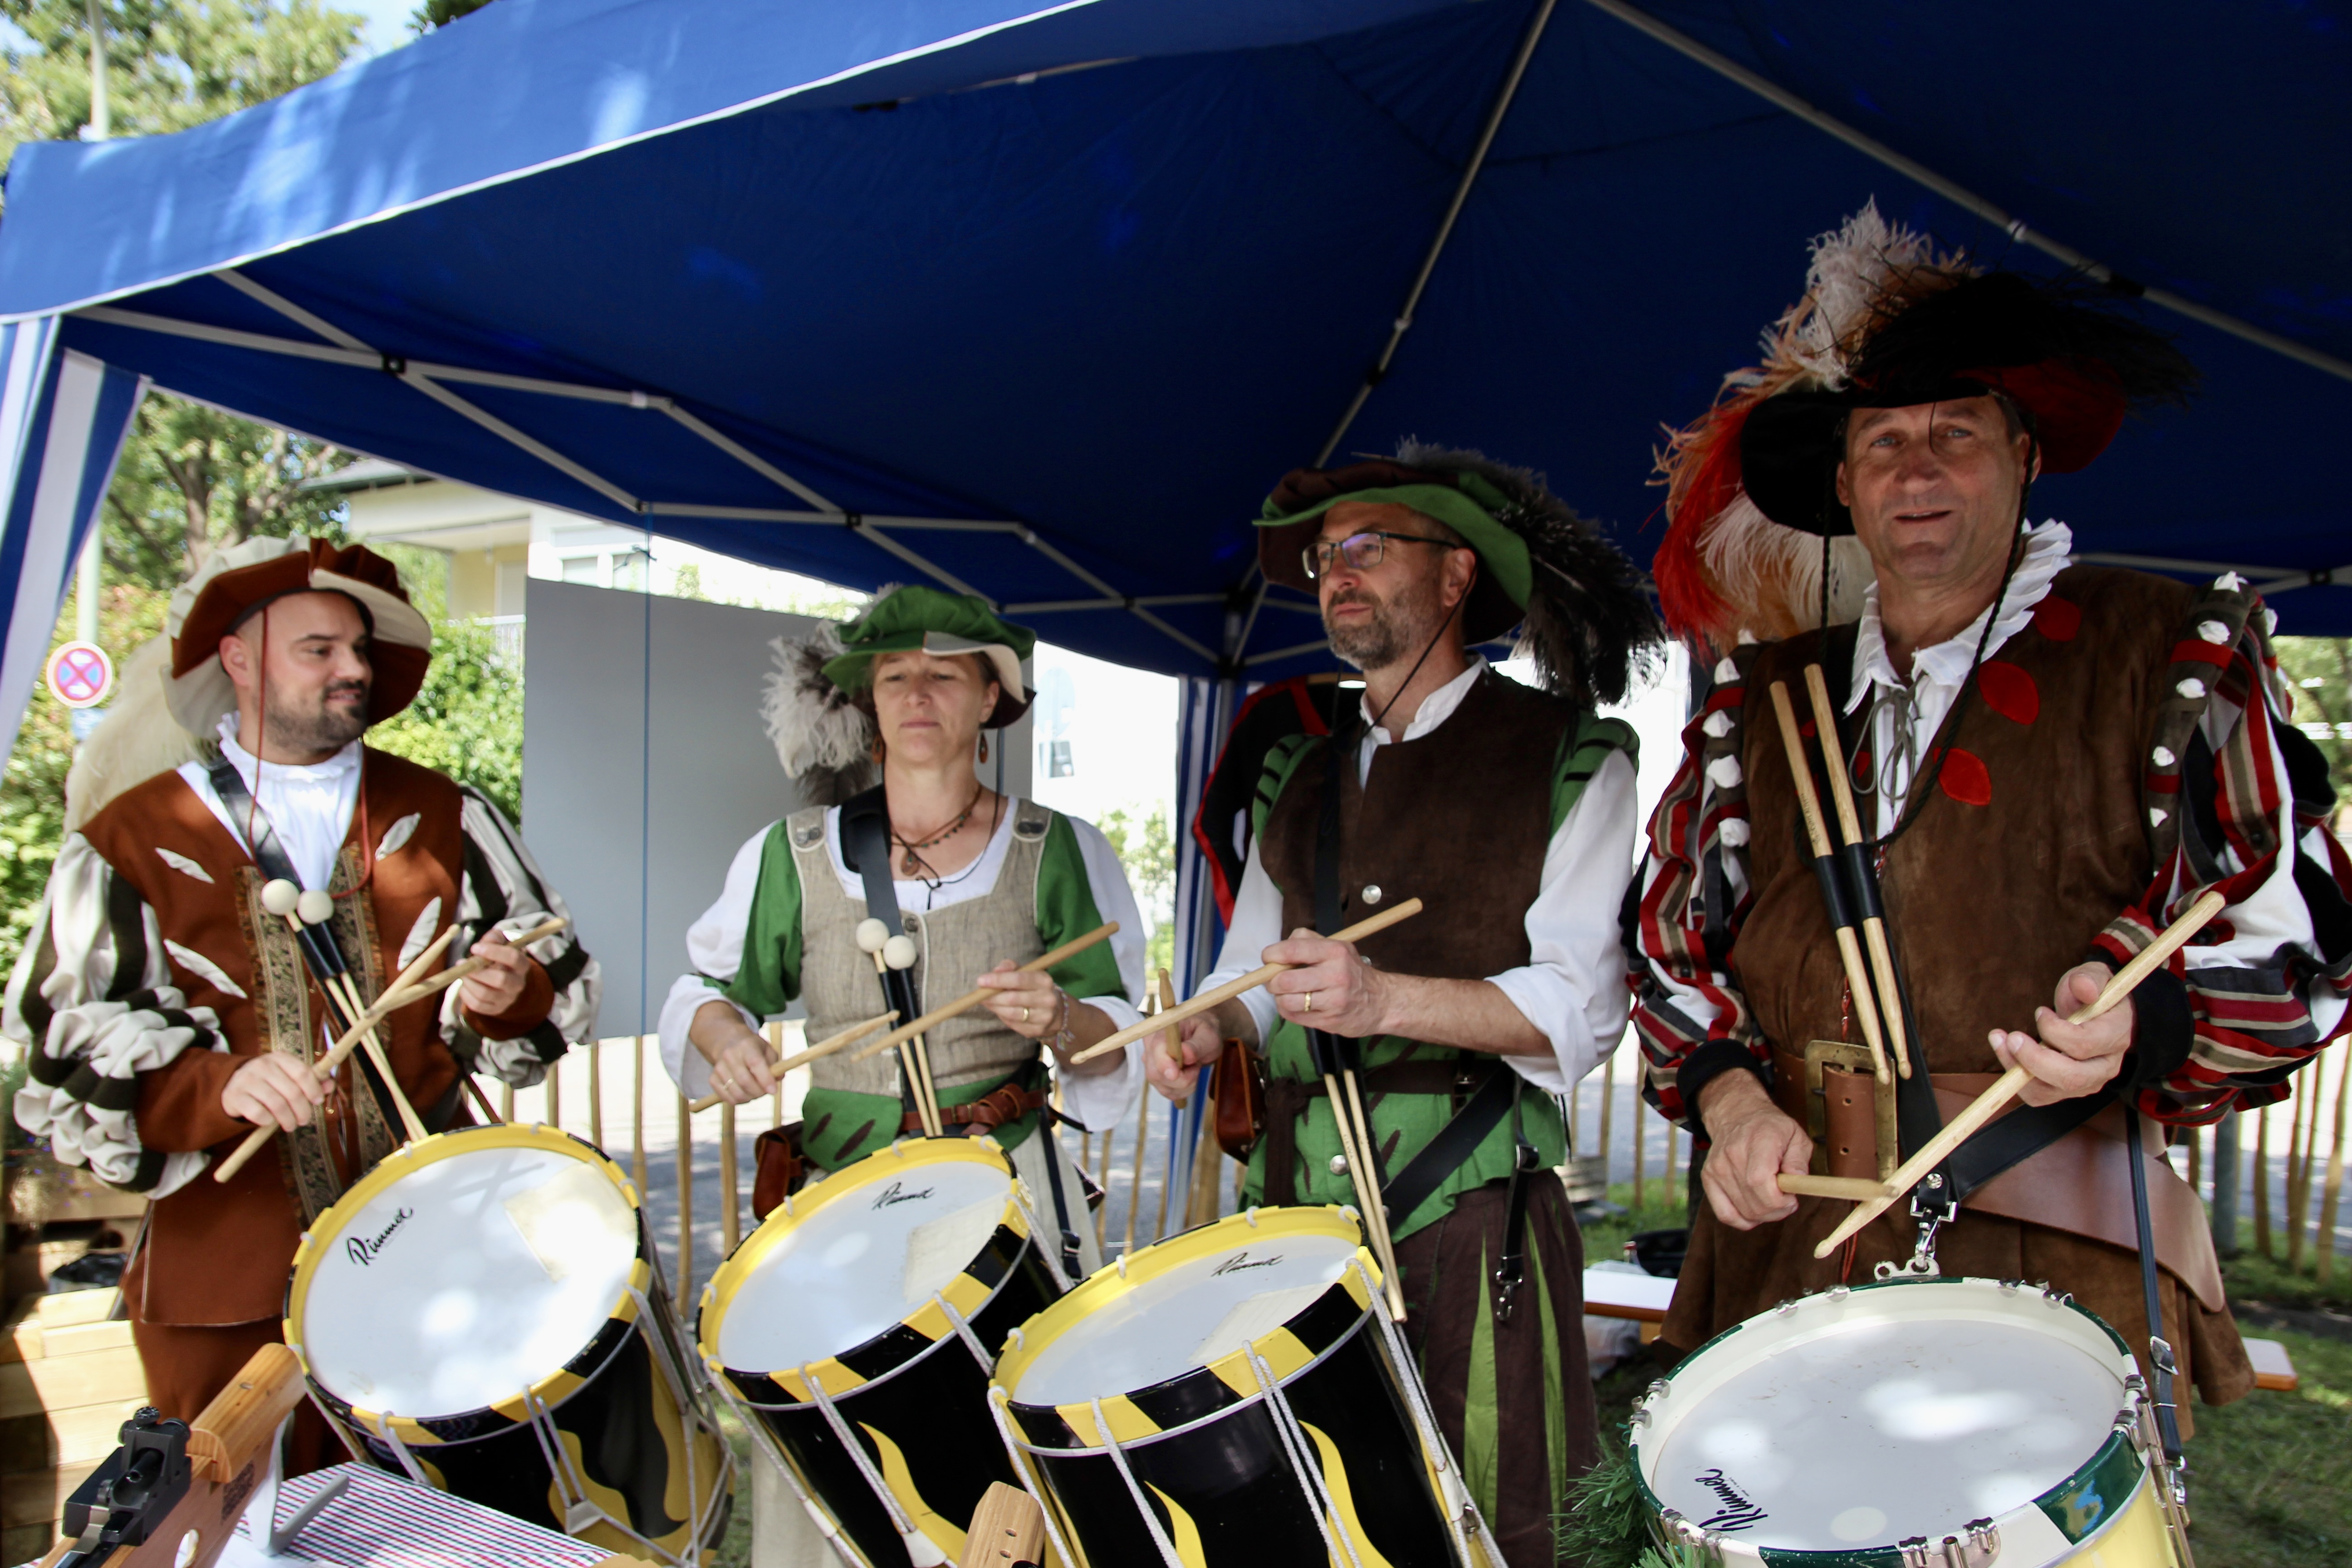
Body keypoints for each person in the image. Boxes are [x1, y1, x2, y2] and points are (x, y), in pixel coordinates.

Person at [1628, 207, 2352, 1421]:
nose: (1917, 470)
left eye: (1955, 436)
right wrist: (1730, 1095)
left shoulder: (2168, 654)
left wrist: (2142, 1026)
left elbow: (2308, 942)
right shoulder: (1761, 711)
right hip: (1791, 1259)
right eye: (1886, 444)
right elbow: (1667, 948)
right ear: (1846, 489)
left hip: (2057, 1271)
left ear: (2023, 458)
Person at [1149, 442, 1662, 1566]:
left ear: (1456, 575)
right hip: (1290, 1219)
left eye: (1370, 548)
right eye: (1330, 555)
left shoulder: (1570, 758)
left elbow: (1577, 1013)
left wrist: (1384, 996)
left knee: (1493, 1521)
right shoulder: (1296, 769)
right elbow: (1258, 980)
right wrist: (1213, 1025)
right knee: (1312, 1516)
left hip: (1474, 1228)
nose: (1338, 571)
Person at [6, 536, 597, 1456]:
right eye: (318, 649)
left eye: (359, 650)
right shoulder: (128, 838)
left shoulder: (450, 817)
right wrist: (215, 1084)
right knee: (237, 1534)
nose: (352, 669)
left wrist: (506, 994)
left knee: (429, 1535)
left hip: (430, 1268)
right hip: (224, 1294)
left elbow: (547, 980)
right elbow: (58, 1042)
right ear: (238, 660)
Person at [660, 583, 1148, 1268]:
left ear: (987, 699)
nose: (917, 693)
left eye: (944, 674)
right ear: (872, 702)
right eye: (895, 676)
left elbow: (1119, 1025)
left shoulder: (1059, 849)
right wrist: (727, 1040)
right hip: (843, 1196)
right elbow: (709, 991)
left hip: (1010, 1192)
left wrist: (1063, 1016)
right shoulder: (790, 854)